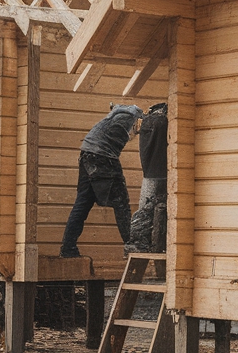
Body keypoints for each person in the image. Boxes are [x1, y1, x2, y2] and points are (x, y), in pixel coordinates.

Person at [60, 104, 143, 258]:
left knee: (83, 203)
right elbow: (123, 132)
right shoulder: (127, 118)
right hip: (103, 157)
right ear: (138, 120)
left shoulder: (118, 115)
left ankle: (68, 248)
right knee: (121, 202)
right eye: (138, 129)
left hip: (87, 155)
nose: (136, 134)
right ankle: (130, 246)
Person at [125, 102, 169, 254]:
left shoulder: (147, 122)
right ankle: (141, 243)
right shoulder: (163, 122)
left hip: (149, 174)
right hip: (162, 174)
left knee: (145, 208)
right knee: (155, 210)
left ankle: (137, 242)